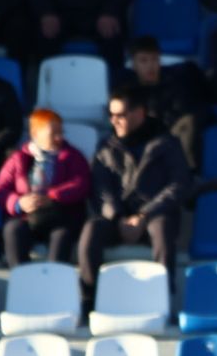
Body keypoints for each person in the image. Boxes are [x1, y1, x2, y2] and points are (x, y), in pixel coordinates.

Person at [79, 86, 191, 314]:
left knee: (162, 228)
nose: (114, 121)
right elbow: (100, 189)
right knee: (91, 229)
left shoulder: (167, 143)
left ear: (139, 113)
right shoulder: (105, 148)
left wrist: (144, 215)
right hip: (117, 218)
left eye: (120, 115)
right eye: (111, 115)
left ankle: (163, 300)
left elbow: (179, 185)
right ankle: (90, 300)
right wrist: (118, 217)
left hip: (154, 216)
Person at [0, 109, 89, 266]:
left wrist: (52, 197)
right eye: (53, 133)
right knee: (13, 230)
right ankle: (21, 279)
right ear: (35, 134)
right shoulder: (18, 158)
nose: (59, 137)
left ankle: (54, 281)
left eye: (61, 132)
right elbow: (1, 189)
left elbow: (81, 183)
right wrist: (19, 203)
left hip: (60, 218)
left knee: (61, 236)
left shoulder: (72, 156)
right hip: (27, 218)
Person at [118, 36, 209, 171]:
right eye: (144, 61)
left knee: (187, 124)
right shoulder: (127, 91)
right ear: (134, 64)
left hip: (173, 138)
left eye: (154, 59)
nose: (151, 66)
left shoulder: (175, 84)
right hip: (145, 146)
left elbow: (186, 114)